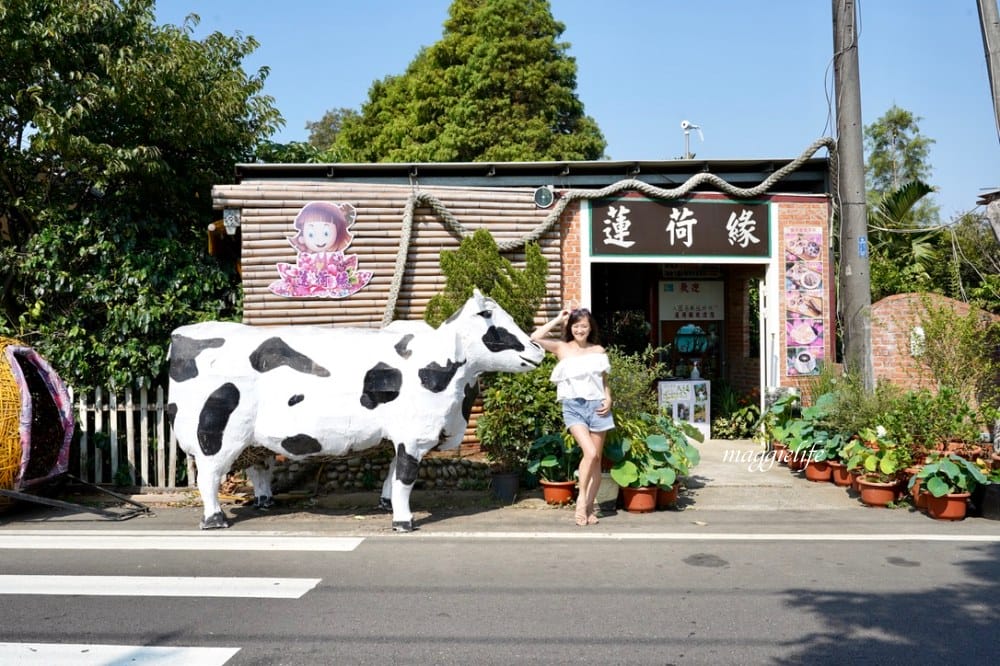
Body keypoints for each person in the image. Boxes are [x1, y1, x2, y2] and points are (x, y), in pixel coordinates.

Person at [531, 307, 614, 526]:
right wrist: (559, 318)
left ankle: (588, 508)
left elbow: (604, 381)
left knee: (596, 459)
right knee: (590, 451)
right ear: (571, 327)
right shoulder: (561, 347)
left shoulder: (598, 350)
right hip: (573, 407)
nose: (580, 329)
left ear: (590, 328)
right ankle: (581, 499)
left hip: (598, 406)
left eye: (584, 326)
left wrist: (609, 398)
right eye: (576, 325)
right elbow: (535, 337)